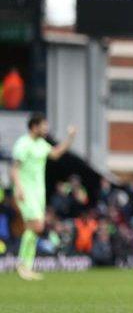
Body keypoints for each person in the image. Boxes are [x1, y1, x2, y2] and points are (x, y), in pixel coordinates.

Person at [11, 113, 77, 280]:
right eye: (43, 125)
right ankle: (22, 264)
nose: (46, 129)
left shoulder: (41, 144)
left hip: (38, 193)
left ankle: (26, 266)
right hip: (26, 191)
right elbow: (14, 169)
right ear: (34, 126)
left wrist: (70, 138)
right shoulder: (23, 144)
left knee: (33, 228)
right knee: (37, 226)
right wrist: (18, 188)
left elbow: (55, 154)